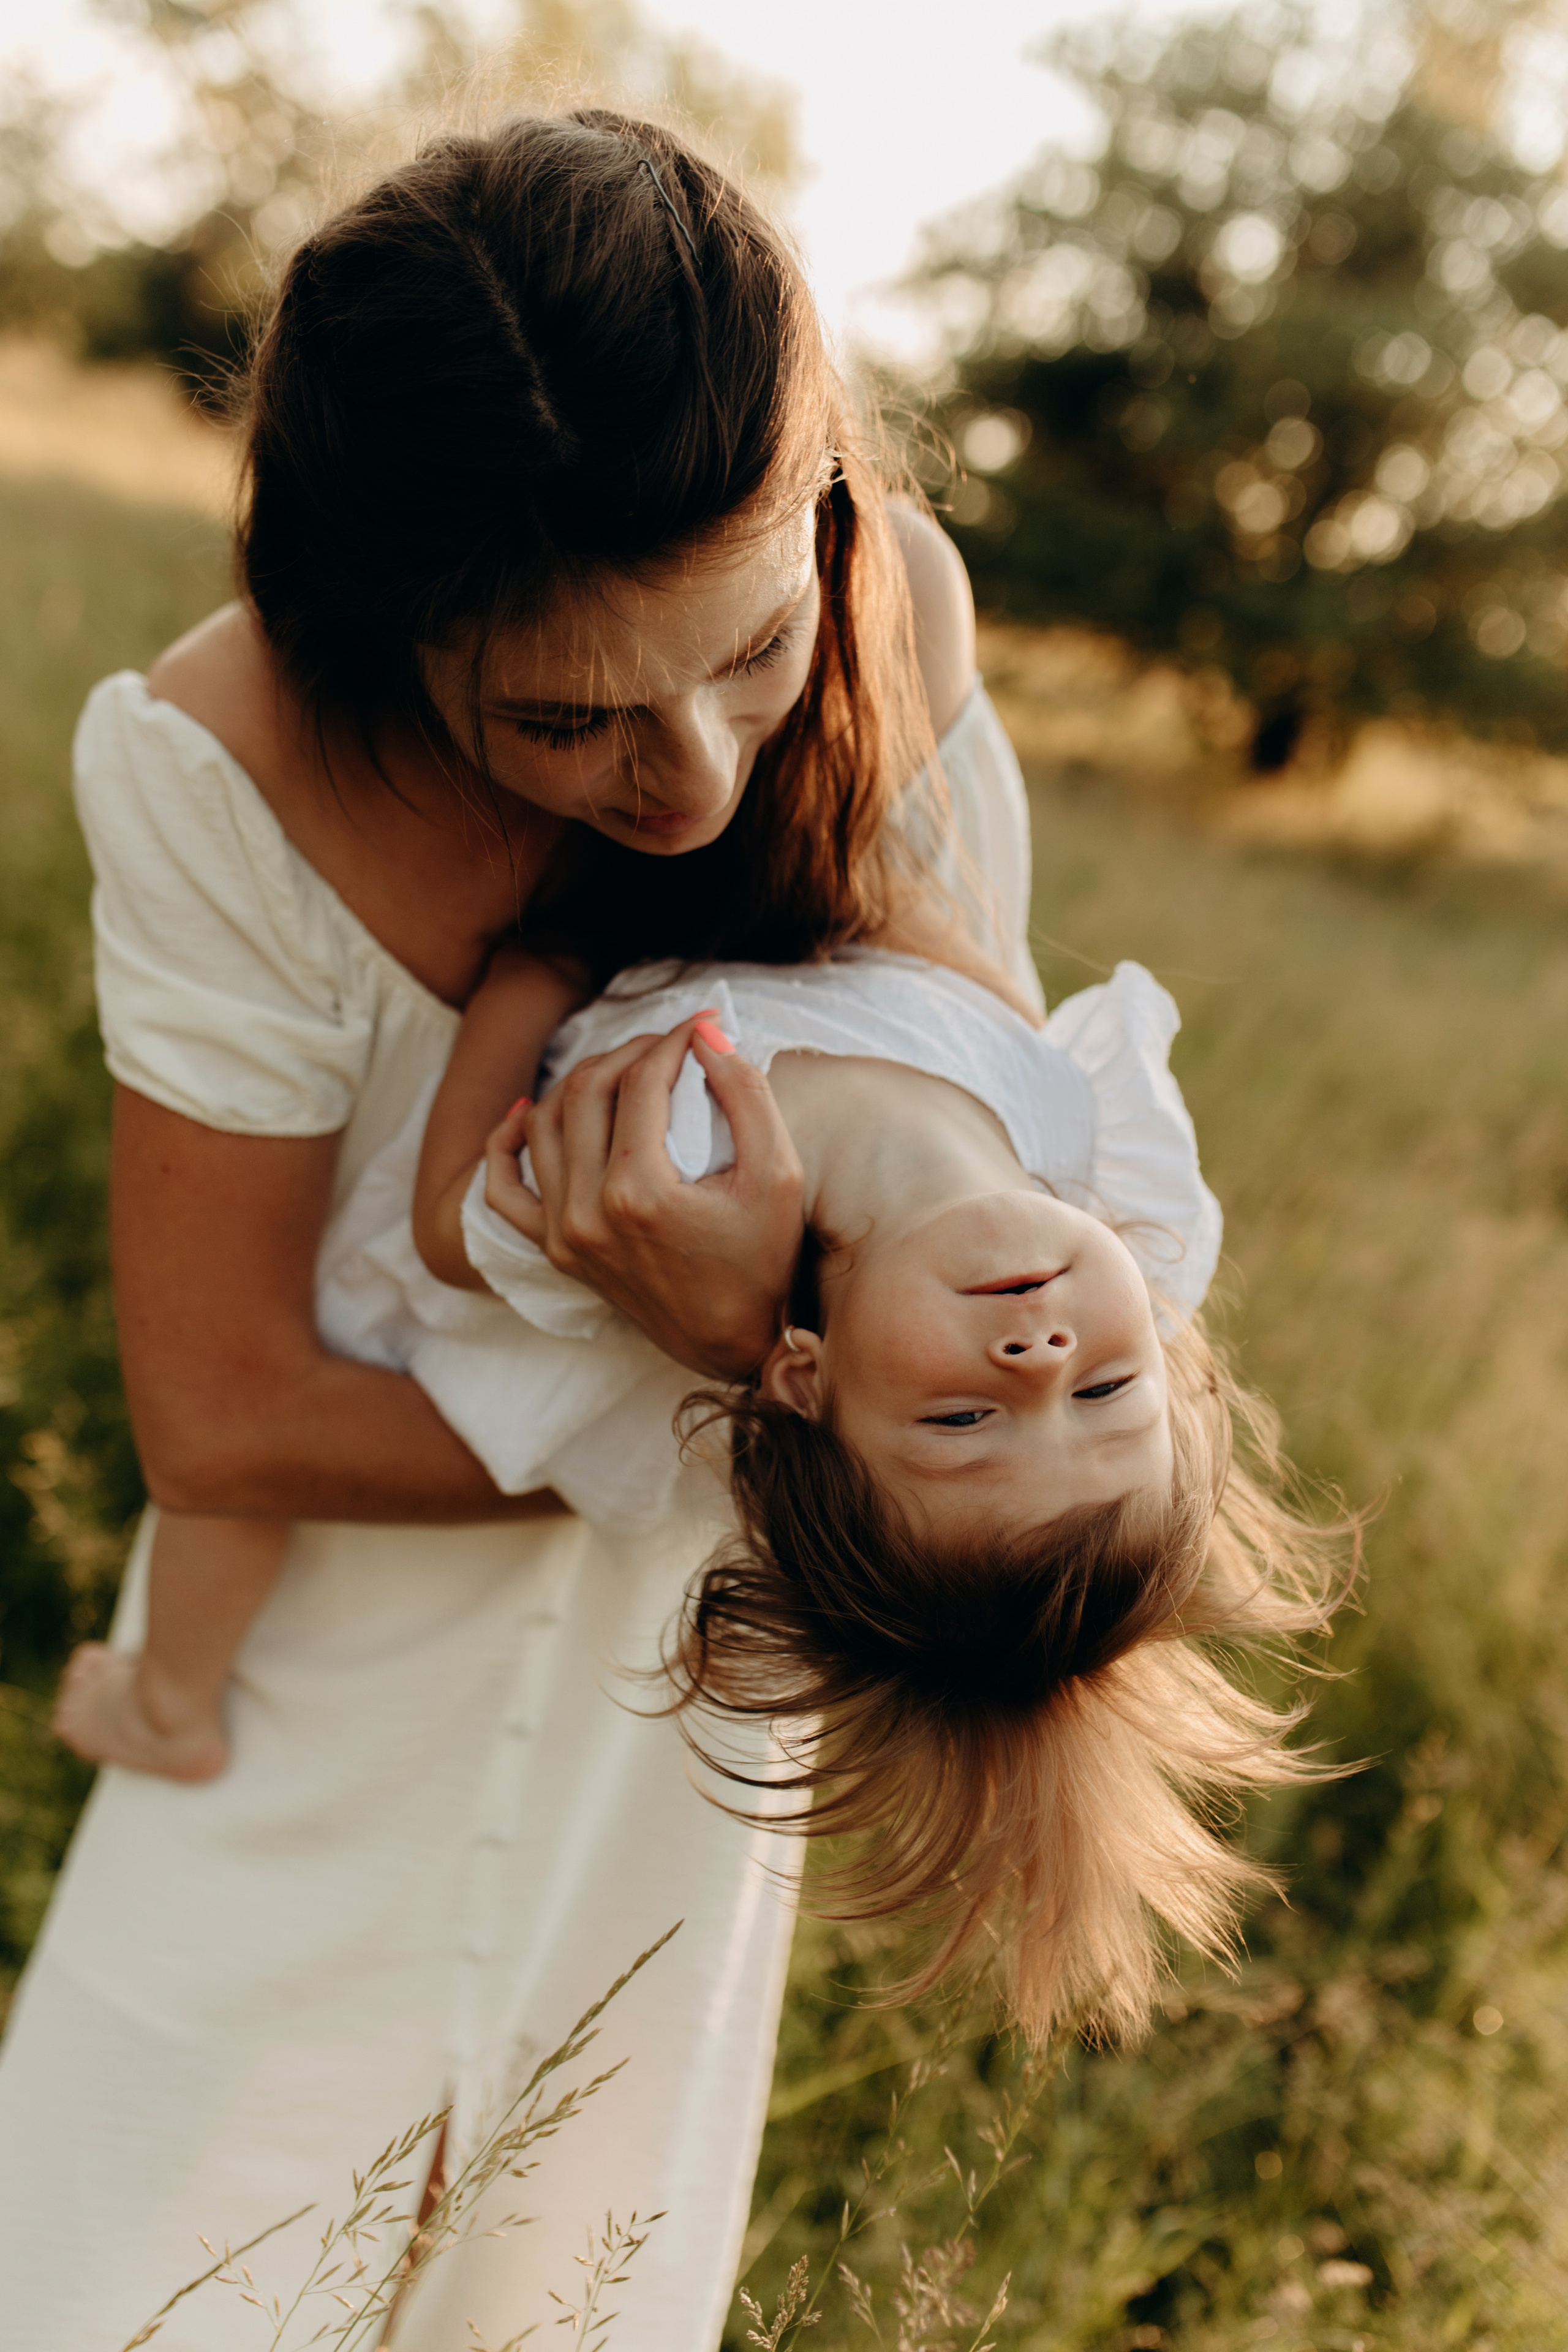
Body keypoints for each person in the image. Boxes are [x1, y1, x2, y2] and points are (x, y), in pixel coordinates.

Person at [0, 108, 1040, 2352]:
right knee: (121, 2283)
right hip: (311, 1685)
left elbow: (1024, 1208)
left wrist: (796, 1387)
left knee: (559, 2291)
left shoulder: (906, 613)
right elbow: (226, 1414)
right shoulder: (224, 762)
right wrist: (743, 1379)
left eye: (750, 654)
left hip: (665, 1724)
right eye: (565, 718)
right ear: (391, 633)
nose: (697, 783)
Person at [66, 923, 1338, 2060]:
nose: (1041, 1361)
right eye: (1107, 1398)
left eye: (965, 1420)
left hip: (516, 1345)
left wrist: (534, 969)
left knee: (248, 1477)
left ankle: (172, 1695)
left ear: (799, 1378)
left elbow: (455, 1229)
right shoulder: (1083, 1138)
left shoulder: (692, 1175)